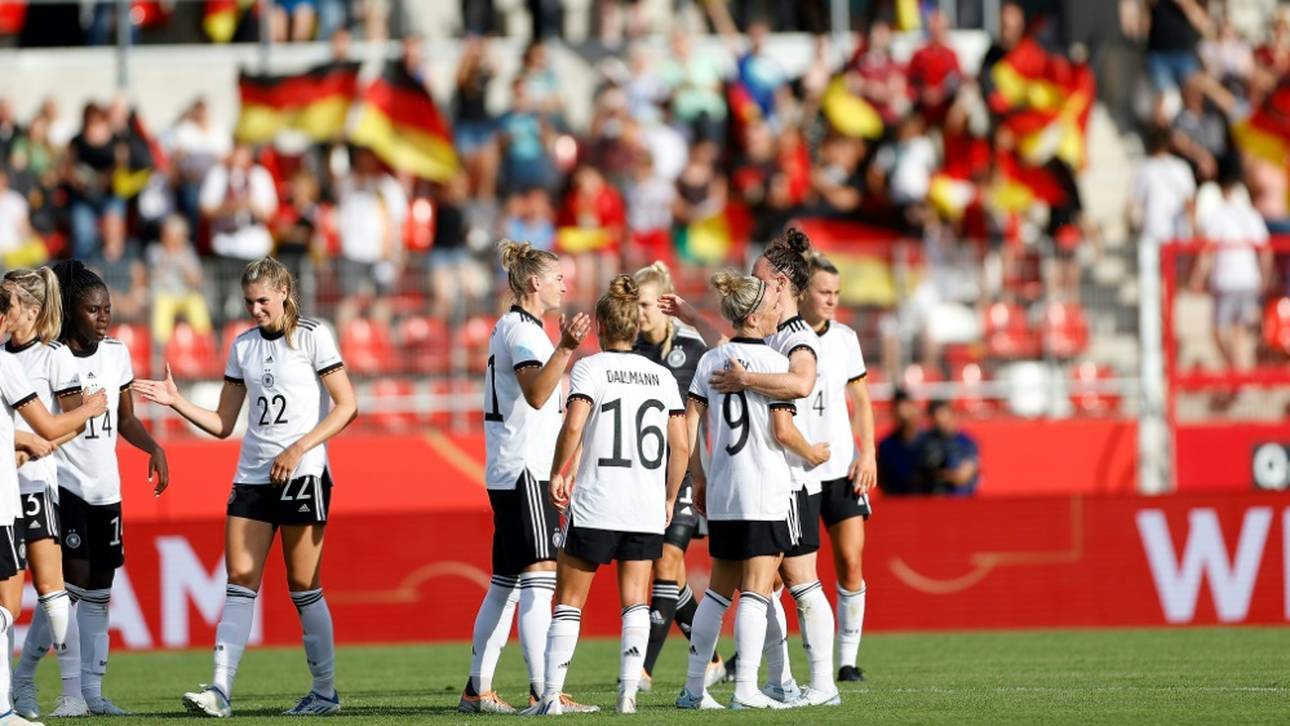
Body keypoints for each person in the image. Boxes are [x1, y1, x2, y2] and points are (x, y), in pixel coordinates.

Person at [135, 257, 358, 718]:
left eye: (262, 300)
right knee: (239, 580)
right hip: (253, 475)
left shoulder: (314, 336)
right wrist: (177, 402)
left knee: (303, 586)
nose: (255, 309)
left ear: (283, 292)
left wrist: (299, 448)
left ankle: (324, 692)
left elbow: (346, 406)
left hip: (304, 474)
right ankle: (219, 690)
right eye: (248, 302)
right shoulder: (243, 347)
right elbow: (222, 424)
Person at [527, 275, 689, 715]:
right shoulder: (661, 375)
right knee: (635, 600)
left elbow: (574, 425)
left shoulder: (590, 368)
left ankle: (551, 698)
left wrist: (558, 470)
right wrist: (671, 496)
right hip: (643, 505)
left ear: (600, 323)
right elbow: (682, 446)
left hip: (598, 500)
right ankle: (628, 696)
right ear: (636, 326)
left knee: (570, 601)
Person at [677, 270, 826, 711]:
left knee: (720, 591)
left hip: (722, 488)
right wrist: (812, 454)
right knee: (758, 591)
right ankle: (745, 689)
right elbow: (782, 430)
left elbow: (688, 426)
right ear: (758, 314)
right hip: (763, 488)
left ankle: (692, 688)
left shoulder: (710, 360)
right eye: (773, 304)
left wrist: (699, 477)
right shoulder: (775, 366)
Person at [457, 241, 593, 715]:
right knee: (540, 575)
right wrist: (566, 348)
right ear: (535, 283)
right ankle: (544, 692)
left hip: (513, 468)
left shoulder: (519, 328)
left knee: (507, 582)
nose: (564, 284)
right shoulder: (524, 332)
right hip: (524, 469)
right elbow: (537, 393)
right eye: (558, 277)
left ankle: (478, 690)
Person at [711, 229, 839, 706]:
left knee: (798, 583)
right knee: (773, 585)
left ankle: (821, 684)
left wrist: (746, 378)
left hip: (790, 481)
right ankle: (781, 679)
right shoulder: (772, 336)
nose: (753, 281)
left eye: (759, 277)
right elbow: (729, 350)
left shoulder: (796, 337)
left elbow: (801, 383)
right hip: (775, 478)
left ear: (781, 285)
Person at [34, 261, 167, 716]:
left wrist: (153, 447)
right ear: (72, 312)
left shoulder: (117, 353)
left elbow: (126, 418)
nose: (104, 316)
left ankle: (92, 691)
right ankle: (62, 691)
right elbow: (54, 420)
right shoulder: (52, 356)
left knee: (100, 590)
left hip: (106, 488)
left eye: (107, 308)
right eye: (93, 310)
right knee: (69, 585)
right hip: (65, 483)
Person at [1, 269, 110, 723]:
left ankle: (69, 693)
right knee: (9, 601)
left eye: (9, 305)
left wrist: (39, 447)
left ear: (31, 309)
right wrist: (23, 441)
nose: (6, 314)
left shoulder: (53, 358)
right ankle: (14, 694)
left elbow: (71, 423)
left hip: (37, 481)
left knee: (51, 589)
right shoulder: (4, 357)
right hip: (8, 480)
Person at [630, 262, 723, 691]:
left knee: (666, 562)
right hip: (646, 475)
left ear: (665, 304)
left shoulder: (691, 343)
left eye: (646, 304)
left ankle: (642, 669)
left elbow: (729, 347)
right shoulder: (630, 351)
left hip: (685, 471)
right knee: (672, 572)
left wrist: (693, 316)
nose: (639, 313)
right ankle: (714, 658)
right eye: (634, 305)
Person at [797, 252, 876, 683]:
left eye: (836, 293)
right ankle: (786, 658)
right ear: (804, 293)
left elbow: (861, 401)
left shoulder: (845, 338)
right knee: (786, 572)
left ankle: (847, 660)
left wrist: (868, 454)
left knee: (849, 560)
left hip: (843, 469)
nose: (831, 300)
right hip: (800, 469)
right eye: (824, 292)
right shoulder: (784, 337)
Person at [912, 400, 980, 496]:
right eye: (937, 421)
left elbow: (963, 476)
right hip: (931, 501)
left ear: (952, 416)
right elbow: (915, 476)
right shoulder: (924, 442)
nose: (941, 423)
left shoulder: (966, 442)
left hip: (960, 501)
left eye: (944, 418)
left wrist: (938, 474)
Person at [877, 388, 921, 496]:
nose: (904, 414)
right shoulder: (886, 446)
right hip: (897, 503)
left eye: (907, 408)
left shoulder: (929, 442)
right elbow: (882, 481)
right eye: (899, 409)